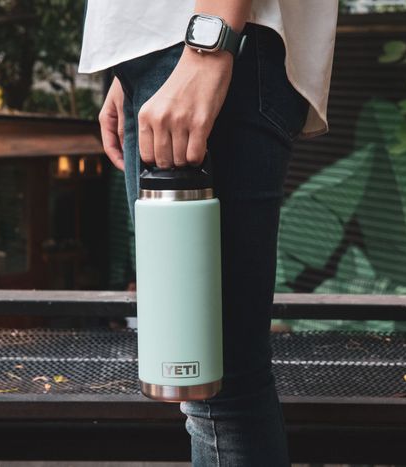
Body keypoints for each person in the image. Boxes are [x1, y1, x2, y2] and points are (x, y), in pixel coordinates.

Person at [78, 1, 338, 465]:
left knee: (217, 386)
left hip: (209, 41)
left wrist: (209, 46)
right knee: (212, 383)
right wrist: (129, 65)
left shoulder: (210, 45)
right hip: (173, 50)